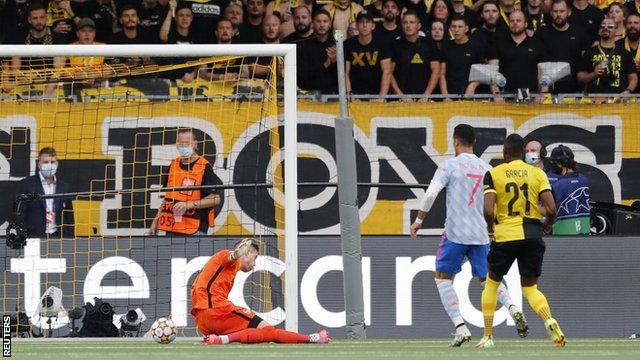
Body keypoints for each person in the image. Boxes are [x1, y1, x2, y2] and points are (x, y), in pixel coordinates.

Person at [410, 125, 526, 347]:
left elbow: (431, 194)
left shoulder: (449, 166)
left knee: (442, 278)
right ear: (474, 142)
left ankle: (460, 328)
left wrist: (418, 221)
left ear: (455, 141)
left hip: (455, 233)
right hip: (480, 233)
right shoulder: (486, 168)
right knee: (488, 280)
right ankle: (512, 307)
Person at [477, 133, 564, 349]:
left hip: (505, 235)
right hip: (532, 233)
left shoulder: (493, 173)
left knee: (491, 284)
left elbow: (488, 209)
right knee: (530, 287)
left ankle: (488, 336)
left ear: (505, 153)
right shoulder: (537, 173)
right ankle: (549, 320)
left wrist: (490, 227)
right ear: (524, 153)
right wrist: (548, 223)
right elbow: (552, 208)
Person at [194, 238, 331, 345]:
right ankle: (313, 338)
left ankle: (220, 339)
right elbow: (231, 256)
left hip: (202, 320)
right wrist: (237, 253)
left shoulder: (222, 269)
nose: (255, 264)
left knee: (249, 333)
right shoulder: (226, 257)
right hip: (217, 311)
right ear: (246, 253)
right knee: (269, 331)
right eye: (255, 258)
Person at [150, 128, 221, 236]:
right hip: (172, 227)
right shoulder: (174, 164)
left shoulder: (204, 166)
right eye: (181, 143)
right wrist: (156, 220)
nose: (183, 146)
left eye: (187, 143)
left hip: (194, 229)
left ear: (195, 144)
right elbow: (168, 197)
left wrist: (188, 205)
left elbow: (216, 198)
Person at [15, 147, 74, 238]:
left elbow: (69, 216)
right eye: (46, 162)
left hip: (58, 237)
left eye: (52, 162)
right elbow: (20, 214)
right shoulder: (26, 184)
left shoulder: (64, 187)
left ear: (57, 164)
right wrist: (24, 237)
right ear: (39, 164)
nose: (50, 165)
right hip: (34, 237)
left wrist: (69, 237)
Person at [536, 0, 591, 93]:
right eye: (555, 11)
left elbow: (585, 62)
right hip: (547, 89)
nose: (558, 14)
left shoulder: (579, 33)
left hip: (574, 89)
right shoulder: (542, 33)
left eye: (562, 11)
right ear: (551, 13)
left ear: (568, 12)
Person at [488, 10, 549, 94]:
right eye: (512, 21)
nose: (515, 23)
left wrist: (543, 95)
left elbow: (544, 73)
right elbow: (492, 72)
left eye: (518, 20)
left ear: (526, 24)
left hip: (532, 97)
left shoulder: (537, 44)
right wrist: (497, 95)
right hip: (505, 98)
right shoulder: (498, 43)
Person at [577, 17, 638, 94]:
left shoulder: (625, 53)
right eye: (602, 26)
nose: (605, 28)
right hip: (594, 101)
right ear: (599, 31)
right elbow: (580, 78)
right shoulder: (589, 52)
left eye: (610, 27)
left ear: (616, 31)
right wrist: (594, 74)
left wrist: (628, 91)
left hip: (618, 101)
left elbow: (633, 78)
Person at [390, 10, 441, 98]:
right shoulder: (395, 45)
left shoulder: (430, 43)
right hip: (402, 101)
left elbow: (436, 71)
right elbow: (389, 73)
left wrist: (426, 95)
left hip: (425, 100)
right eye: (405, 22)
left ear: (419, 25)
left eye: (412, 22)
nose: (408, 25)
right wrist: (400, 96)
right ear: (402, 25)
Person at [345, 10, 392, 98]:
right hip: (355, 95)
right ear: (356, 26)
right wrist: (349, 95)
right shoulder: (348, 44)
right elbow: (345, 73)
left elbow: (387, 71)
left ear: (373, 26)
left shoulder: (382, 43)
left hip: (377, 94)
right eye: (361, 22)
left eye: (368, 22)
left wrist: (381, 98)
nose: (365, 25)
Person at [546, 145, 591, 235]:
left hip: (562, 235)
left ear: (560, 163)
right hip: (584, 232)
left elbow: (550, 211)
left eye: (554, 163)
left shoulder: (558, 185)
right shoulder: (584, 179)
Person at [440, 15, 487, 96]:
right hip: (451, 95)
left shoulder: (476, 46)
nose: (456, 30)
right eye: (453, 26)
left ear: (466, 28)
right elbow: (442, 74)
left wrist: (472, 87)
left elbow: (482, 72)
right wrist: (445, 95)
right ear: (450, 28)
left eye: (460, 26)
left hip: (472, 95)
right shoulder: (446, 46)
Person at [297, 9, 338, 94]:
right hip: (309, 95)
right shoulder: (303, 45)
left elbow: (342, 76)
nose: (322, 25)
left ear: (330, 24)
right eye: (318, 21)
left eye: (325, 21)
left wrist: (334, 62)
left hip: (332, 95)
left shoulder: (337, 45)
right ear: (312, 24)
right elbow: (302, 76)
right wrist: (325, 64)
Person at [623, 13, 640, 91]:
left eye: (636, 23)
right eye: (629, 23)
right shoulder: (617, 45)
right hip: (623, 91)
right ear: (625, 26)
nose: (632, 26)